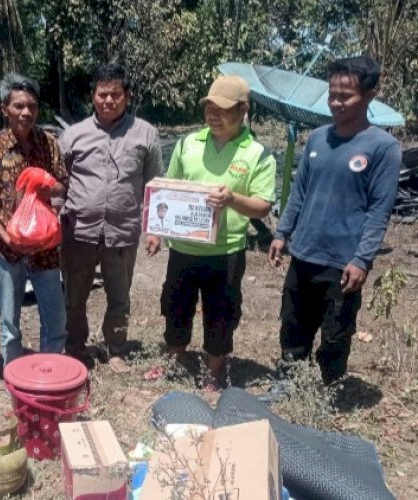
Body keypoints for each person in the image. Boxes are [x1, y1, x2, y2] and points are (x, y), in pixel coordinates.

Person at [268, 56, 401, 386]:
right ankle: (287, 384)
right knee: (293, 325)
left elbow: (378, 209)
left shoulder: (383, 147)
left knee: (335, 333)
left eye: (346, 96)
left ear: (370, 95)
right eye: (332, 95)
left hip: (343, 262)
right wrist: (282, 233)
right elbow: (299, 192)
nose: (336, 103)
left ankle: (328, 392)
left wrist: (362, 259)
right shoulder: (317, 139)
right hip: (304, 253)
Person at [146, 75, 276, 390]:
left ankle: (215, 370)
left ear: (243, 109)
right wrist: (156, 231)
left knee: (221, 313)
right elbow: (169, 187)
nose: (213, 115)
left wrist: (232, 199)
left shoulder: (258, 154)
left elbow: (262, 207)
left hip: (226, 252)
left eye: (223, 109)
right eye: (209, 108)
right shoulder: (188, 144)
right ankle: (175, 360)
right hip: (184, 248)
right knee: (175, 305)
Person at [59, 63, 163, 372]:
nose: (108, 101)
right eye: (102, 94)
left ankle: (116, 349)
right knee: (74, 295)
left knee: (119, 295)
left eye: (115, 95)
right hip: (77, 232)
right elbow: (58, 184)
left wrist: (154, 229)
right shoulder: (73, 136)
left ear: (126, 97)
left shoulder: (145, 134)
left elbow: (155, 185)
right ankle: (75, 347)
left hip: (123, 231)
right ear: (93, 96)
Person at [0, 73, 68, 367]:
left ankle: (52, 374)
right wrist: (6, 235)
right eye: (19, 106)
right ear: (5, 109)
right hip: (7, 250)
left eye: (32, 107)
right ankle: (15, 380)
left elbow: (63, 184)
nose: (26, 112)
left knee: (55, 320)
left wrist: (48, 184)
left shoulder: (48, 144)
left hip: (45, 250)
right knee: (10, 325)